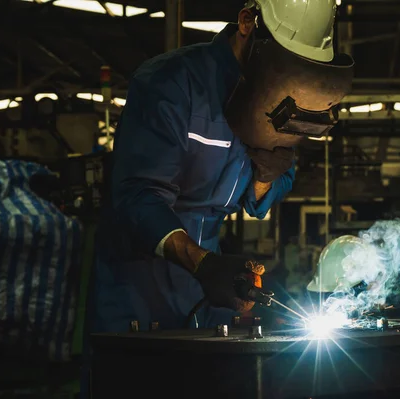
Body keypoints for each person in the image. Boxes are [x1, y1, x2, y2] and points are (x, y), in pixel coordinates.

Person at [88, 0, 353, 336]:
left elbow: (261, 201)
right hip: (136, 283)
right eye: (281, 60)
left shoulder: (276, 99)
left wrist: (265, 176)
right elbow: (140, 197)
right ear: (247, 22)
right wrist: (203, 264)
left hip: (210, 288)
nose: (285, 75)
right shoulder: (171, 83)